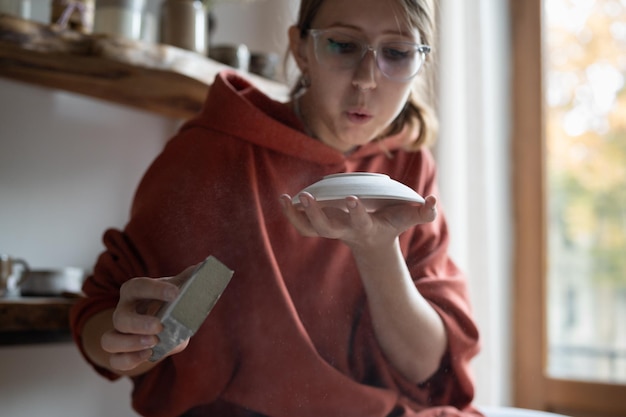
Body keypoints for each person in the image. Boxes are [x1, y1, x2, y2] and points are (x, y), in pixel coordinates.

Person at [70, 0, 482, 416]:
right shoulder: (210, 152)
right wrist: (127, 337)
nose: (366, 80)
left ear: (421, 60)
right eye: (342, 44)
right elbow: (101, 318)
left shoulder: (409, 166)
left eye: (396, 53)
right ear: (301, 49)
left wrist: (378, 252)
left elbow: (429, 368)